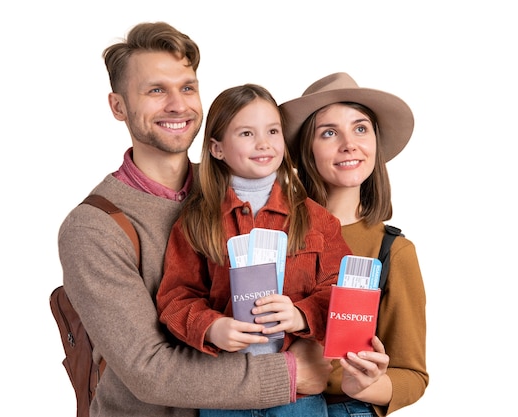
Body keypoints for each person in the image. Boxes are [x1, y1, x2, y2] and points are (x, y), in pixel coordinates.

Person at [57, 22, 332, 417]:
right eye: (156, 90)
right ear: (118, 106)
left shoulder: (241, 191)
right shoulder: (94, 228)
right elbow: (148, 370)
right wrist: (291, 373)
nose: (177, 105)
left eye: (187, 88)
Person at [156, 83, 352, 416]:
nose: (263, 143)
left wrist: (301, 314)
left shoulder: (318, 220)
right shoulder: (196, 221)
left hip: (297, 398)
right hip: (226, 395)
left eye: (272, 131)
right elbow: (177, 296)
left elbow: (341, 293)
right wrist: (211, 327)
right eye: (247, 133)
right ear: (217, 149)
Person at [280, 72, 429, 416]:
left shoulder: (393, 251)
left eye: (360, 128)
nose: (348, 143)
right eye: (329, 132)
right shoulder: (269, 233)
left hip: (346, 408)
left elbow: (413, 375)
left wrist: (365, 384)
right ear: (306, 150)